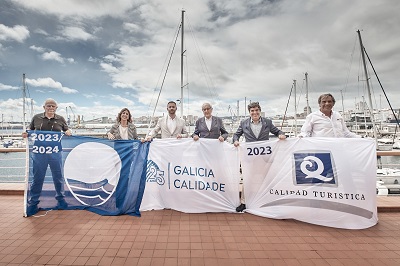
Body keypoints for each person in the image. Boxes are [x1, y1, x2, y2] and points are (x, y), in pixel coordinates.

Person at [233, 101, 286, 212]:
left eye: (256, 110)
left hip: (264, 155)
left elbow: (277, 131)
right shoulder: (244, 123)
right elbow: (236, 134)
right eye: (252, 111)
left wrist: (281, 134)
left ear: (259, 110)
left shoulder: (267, 122)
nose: (255, 112)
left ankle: (267, 200)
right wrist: (236, 141)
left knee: (267, 178)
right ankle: (243, 202)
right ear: (249, 112)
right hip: (250, 156)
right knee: (247, 179)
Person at [23, 98, 72, 216]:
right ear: (44, 107)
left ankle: (61, 201)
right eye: (48, 106)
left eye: (53, 106)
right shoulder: (36, 118)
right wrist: (26, 133)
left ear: (56, 108)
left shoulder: (60, 119)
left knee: (58, 177)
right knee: (37, 178)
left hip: (55, 153)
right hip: (39, 153)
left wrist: (69, 131)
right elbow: (30, 129)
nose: (50, 108)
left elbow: (66, 129)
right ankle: (33, 203)